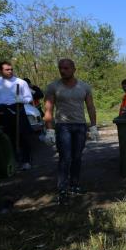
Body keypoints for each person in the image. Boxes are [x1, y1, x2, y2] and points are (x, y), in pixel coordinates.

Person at [44, 59, 99, 205]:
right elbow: (48, 109)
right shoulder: (53, 87)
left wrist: (93, 126)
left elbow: (91, 107)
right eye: (60, 68)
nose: (63, 71)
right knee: (65, 158)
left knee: (77, 157)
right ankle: (62, 189)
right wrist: (49, 129)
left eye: (66, 68)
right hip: (63, 127)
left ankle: (74, 185)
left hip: (80, 126)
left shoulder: (84, 87)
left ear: (74, 69)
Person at [0, 61, 33, 170]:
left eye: (11, 69)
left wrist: (22, 100)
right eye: (7, 69)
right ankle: (10, 162)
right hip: (1, 111)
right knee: (5, 137)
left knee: (24, 136)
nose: (10, 71)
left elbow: (29, 98)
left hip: (18, 109)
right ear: (0, 70)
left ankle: (26, 161)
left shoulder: (21, 82)